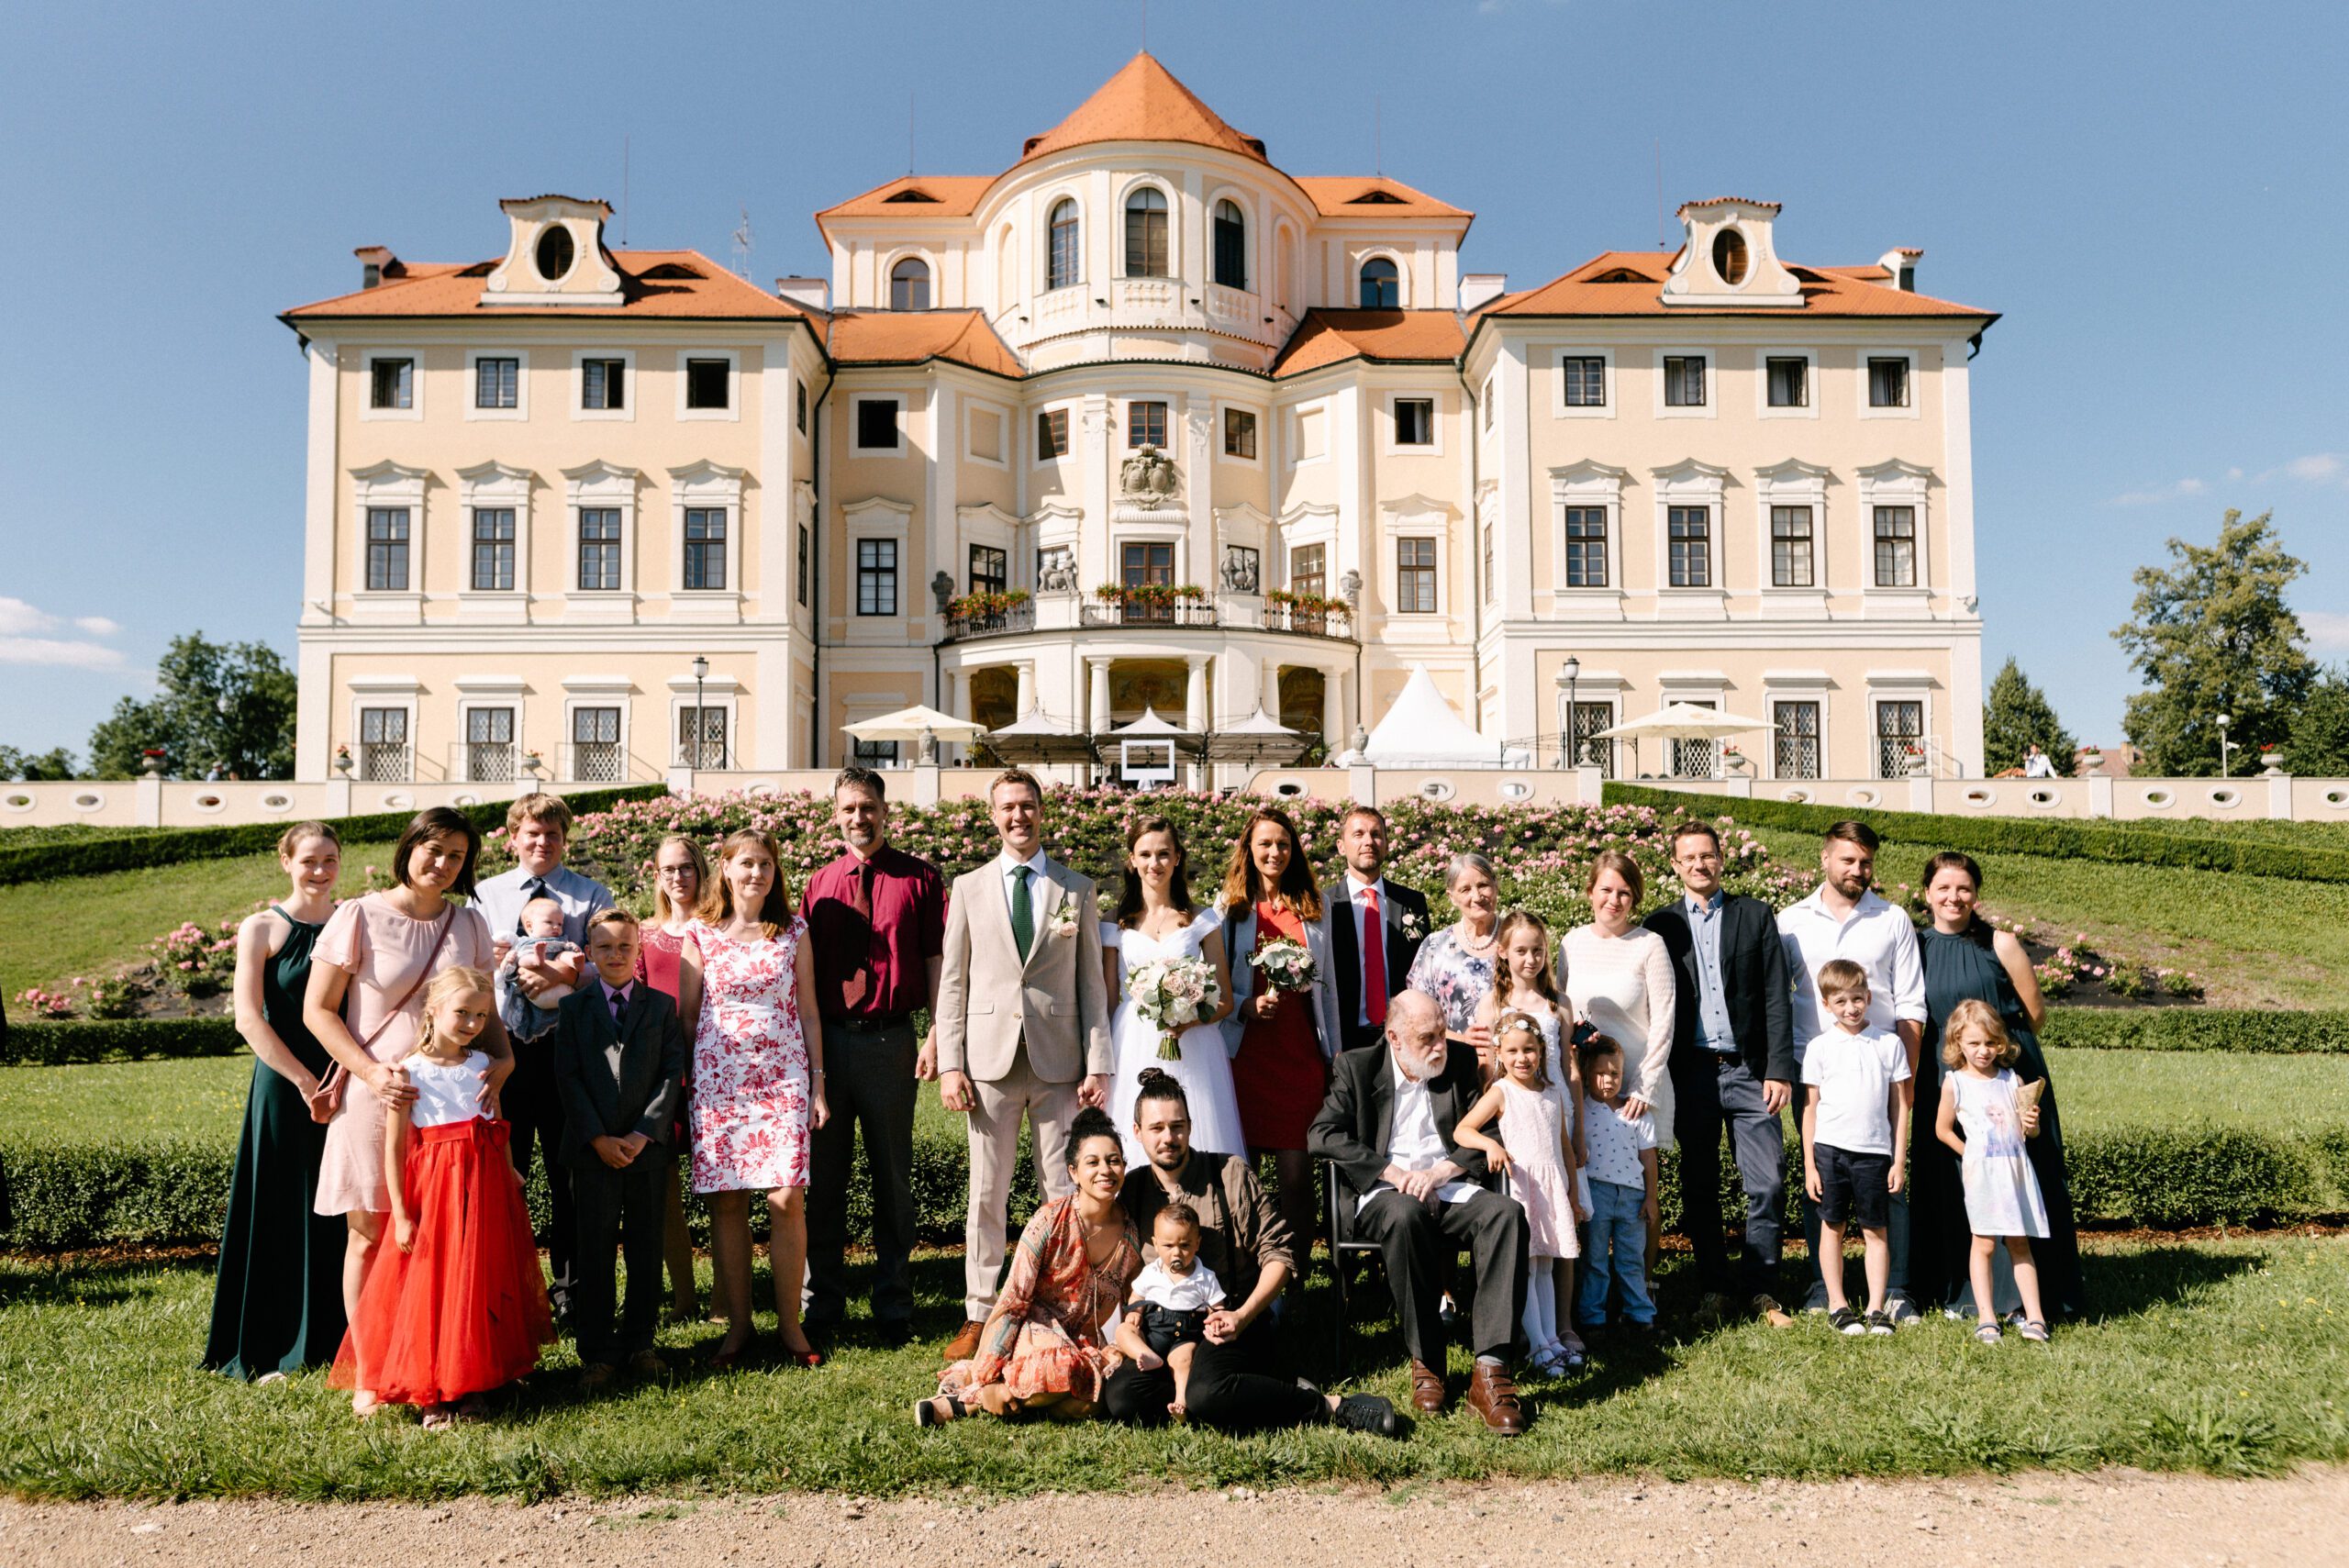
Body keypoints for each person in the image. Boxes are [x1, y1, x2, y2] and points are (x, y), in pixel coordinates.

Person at [306, 806, 508, 1419]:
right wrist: (371, 1073)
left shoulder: (469, 922)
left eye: (456, 856)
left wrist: (504, 1062)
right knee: (370, 1234)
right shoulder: (358, 915)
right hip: (379, 1097)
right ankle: (371, 1372)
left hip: (451, 1109)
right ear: (409, 846)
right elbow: (318, 1011)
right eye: (433, 849)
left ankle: (442, 1363)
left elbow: (486, 1011)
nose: (442, 864)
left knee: (444, 1240)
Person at [1103, 1069, 1397, 1435]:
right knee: (1122, 1397)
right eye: (1156, 1128)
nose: (1168, 1138)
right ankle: (1243, 1388)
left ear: (1190, 1126)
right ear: (1137, 1132)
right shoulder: (1133, 1190)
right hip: (1162, 1331)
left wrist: (1242, 1316)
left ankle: (1328, 1405)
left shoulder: (1228, 1173)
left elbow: (1280, 1253)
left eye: (1177, 1127)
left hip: (1229, 1322)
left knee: (1207, 1394)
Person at [934, 769, 1113, 1362]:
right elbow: (953, 982)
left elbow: (1091, 983)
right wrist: (951, 1064)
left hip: (1059, 1060)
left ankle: (1061, 1307)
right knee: (987, 1193)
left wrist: (1098, 1061)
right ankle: (979, 1311)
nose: (1019, 816)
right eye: (1008, 807)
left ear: (1042, 811)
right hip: (988, 1063)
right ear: (994, 816)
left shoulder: (1076, 888)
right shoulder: (968, 888)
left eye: (1028, 805)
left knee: (1061, 1190)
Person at [330, 967, 552, 1425]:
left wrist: (509, 1168)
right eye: (462, 1012)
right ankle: (432, 1389)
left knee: (479, 1278)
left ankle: (475, 1384)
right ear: (433, 1009)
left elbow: (496, 1122)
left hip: (485, 1185)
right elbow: (395, 1147)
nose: (472, 1023)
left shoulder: (483, 1066)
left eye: (481, 1015)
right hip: (435, 1189)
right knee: (437, 1284)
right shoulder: (409, 1071)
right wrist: (402, 1213)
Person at [1308, 989, 1531, 1433]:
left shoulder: (1460, 1062)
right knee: (1406, 1214)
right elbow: (1322, 1134)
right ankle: (1428, 1359)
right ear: (1394, 1037)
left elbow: (1488, 1133)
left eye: (1442, 1034)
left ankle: (1491, 1373)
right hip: (1385, 1192)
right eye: (1427, 1038)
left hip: (1447, 1185)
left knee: (1506, 1214)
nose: (1440, 1046)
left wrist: (1442, 1171)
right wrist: (1390, 1172)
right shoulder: (1357, 1067)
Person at [801, 765, 946, 1349]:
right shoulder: (818, 884)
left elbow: (937, 962)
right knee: (824, 1182)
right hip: (830, 1045)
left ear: (885, 811)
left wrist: (937, 1033)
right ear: (835, 815)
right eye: (849, 808)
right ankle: (822, 1303)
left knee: (892, 1178)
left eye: (868, 807)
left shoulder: (920, 879)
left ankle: (893, 1304)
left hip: (892, 1041)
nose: (858, 817)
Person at [677, 827, 829, 1370]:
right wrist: (689, 1086)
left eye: (765, 863)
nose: (756, 873)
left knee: (787, 1198)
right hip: (720, 1083)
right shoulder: (700, 932)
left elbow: (809, 1011)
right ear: (725, 868)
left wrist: (818, 1083)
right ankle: (739, 1326)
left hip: (783, 1078)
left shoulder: (793, 930)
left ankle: (790, 1324)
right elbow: (688, 1016)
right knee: (728, 1201)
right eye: (746, 863)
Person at [205, 822, 350, 1380]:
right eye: (309, 859)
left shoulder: (352, 919)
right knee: (281, 1206)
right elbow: (248, 1018)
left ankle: (339, 1337)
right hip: (284, 1084)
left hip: (346, 1080)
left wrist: (346, 1075)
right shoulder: (262, 927)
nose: (320, 870)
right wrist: (305, 1082)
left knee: (343, 1205)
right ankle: (270, 1341)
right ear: (286, 861)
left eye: (330, 859)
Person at [1914, 851, 2082, 1319]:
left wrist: (2000, 1058)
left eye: (1963, 888)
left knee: (2024, 1174)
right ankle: (1959, 1289)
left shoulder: (2000, 943)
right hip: (1945, 1073)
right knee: (1952, 1176)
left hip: (2009, 1071)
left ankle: (2032, 1297)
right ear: (1927, 893)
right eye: (1943, 888)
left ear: (1976, 894)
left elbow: (2035, 1013)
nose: (1953, 897)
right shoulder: (1916, 945)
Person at [1642, 821, 1797, 1326]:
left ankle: (1760, 1289)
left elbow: (1776, 995)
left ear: (1721, 859)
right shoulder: (1661, 925)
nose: (1699, 865)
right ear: (1675, 865)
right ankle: (1714, 1286)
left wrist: (1778, 1069)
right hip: (1692, 1072)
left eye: (1707, 855)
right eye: (1688, 857)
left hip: (1750, 1071)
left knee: (1768, 1182)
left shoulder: (1755, 915)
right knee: (1699, 1185)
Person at [473, 793, 616, 1324]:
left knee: (568, 1175)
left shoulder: (590, 895)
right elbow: (467, 966)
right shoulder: (485, 896)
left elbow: (611, 964)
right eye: (532, 833)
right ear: (513, 837)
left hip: (568, 1053)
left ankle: (571, 1293)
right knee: (502, 1172)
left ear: (565, 839)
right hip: (501, 1049)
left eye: (553, 834)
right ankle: (504, 1292)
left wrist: (564, 975)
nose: (542, 842)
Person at [1776, 820, 1927, 1321]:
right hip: (1814, 1069)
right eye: (1847, 860)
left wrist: (1905, 1081)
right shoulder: (1791, 921)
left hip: (1879, 1070)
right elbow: (1777, 996)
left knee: (1888, 1180)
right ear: (1825, 859)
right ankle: (1825, 1288)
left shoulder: (1892, 919)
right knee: (1819, 1178)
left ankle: (1897, 1288)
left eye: (1866, 862)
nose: (1857, 870)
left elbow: (1911, 1003)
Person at [916, 1106, 1139, 1426]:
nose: (1105, 1170)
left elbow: (1134, 1305)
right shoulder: (1048, 1222)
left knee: (1094, 1401)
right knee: (1062, 1368)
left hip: (1082, 1342)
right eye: (1093, 1162)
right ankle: (974, 1399)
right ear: (1074, 1172)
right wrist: (987, 1375)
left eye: (1113, 1160)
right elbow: (1013, 1301)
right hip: (1035, 1331)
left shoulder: (1130, 1237)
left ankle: (1009, 1397)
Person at [553, 908, 688, 1390]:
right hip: (592, 1152)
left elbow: (671, 1073)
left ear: (638, 950)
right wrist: (597, 1138)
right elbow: (568, 1077)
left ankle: (640, 1344)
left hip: (645, 1150)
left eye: (625, 946)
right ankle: (597, 1352)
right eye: (605, 947)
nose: (616, 955)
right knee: (594, 1251)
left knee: (646, 1248)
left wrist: (641, 1133)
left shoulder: (661, 1006)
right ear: (589, 952)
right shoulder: (574, 1009)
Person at [1219, 805, 1342, 1276]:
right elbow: (1215, 980)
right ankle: (1248, 1274)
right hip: (1246, 1055)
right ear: (1249, 850)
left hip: (1298, 1054)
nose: (1275, 852)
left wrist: (1332, 1054)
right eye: (1265, 844)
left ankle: (1294, 1277)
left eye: (1283, 844)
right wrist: (1245, 1005)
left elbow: (1328, 986)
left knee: (1296, 1176)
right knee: (1244, 1176)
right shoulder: (1230, 907)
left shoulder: (1315, 906)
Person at [1103, 815, 1241, 1169]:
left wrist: (1189, 1020)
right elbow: (1107, 1001)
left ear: (1177, 857)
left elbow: (1225, 999)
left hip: (1194, 1045)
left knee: (1196, 1131)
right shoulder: (1114, 921)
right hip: (1132, 1042)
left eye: (1164, 854)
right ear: (1132, 860)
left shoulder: (1201, 919)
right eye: (1145, 854)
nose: (1155, 863)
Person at [1562, 850, 1676, 1273]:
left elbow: (1664, 1019)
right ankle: (1591, 1282)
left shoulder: (1649, 944)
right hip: (1586, 1084)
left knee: (1640, 1187)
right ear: (1590, 891)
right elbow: (1561, 1008)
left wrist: (1645, 1086)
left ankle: (1644, 1284)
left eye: (1624, 892)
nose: (1614, 900)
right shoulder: (1572, 942)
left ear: (1635, 897)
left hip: (1635, 1087)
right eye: (1606, 890)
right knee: (1587, 1180)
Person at [1453, 1011, 1583, 1376]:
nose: (1521, 1058)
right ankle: (1538, 1347)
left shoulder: (1553, 1094)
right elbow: (1463, 1130)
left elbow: (1564, 1148)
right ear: (1499, 1054)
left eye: (1529, 1050)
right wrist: (1490, 1146)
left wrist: (1572, 1196)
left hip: (1551, 1189)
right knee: (1525, 1266)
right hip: (1522, 1188)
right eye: (1512, 1051)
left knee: (1545, 1265)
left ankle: (1552, 1339)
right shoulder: (1501, 1092)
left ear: (1541, 1051)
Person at [1798, 960, 1911, 1336]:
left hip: (1874, 1153)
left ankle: (1876, 1308)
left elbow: (1900, 1107)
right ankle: (1838, 1304)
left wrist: (1898, 1160)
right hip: (1830, 1151)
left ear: (1869, 997)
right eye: (1841, 1001)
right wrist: (1810, 1166)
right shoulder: (1819, 1047)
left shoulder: (1889, 1044)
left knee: (1875, 1230)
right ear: (1827, 1004)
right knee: (1832, 1226)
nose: (1851, 1008)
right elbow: (1810, 1109)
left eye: (1858, 999)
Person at [1932, 1000, 2052, 1345]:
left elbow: (2029, 1133)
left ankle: (2036, 1317)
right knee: (1983, 1243)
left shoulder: (2012, 1080)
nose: (1982, 1051)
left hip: (2016, 1173)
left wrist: (2031, 1124)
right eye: (1974, 1043)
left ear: (2000, 1043)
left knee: (2019, 1242)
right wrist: (1970, 1154)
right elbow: (1942, 1129)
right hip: (1982, 1177)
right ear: (1958, 1042)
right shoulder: (1955, 1083)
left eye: (1989, 1043)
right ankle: (1986, 1316)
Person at [634, 832, 710, 1322]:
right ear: (657, 876)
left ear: (700, 870)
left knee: (724, 1190)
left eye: (686, 867)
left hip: (716, 1068)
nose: (678, 877)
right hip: (663, 1074)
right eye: (669, 869)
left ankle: (726, 1297)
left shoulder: (720, 927)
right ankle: (684, 1298)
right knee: (664, 1190)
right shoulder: (643, 935)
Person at [1321, 805, 1431, 1054]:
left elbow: (1422, 971)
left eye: (1376, 834)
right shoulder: (1324, 905)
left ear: (1387, 844)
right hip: (1343, 1039)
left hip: (1401, 1036)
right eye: (1358, 834)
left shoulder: (1411, 903)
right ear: (1341, 846)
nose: (1368, 842)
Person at [1574, 1033, 1659, 1334]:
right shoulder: (1581, 1111)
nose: (1608, 1080)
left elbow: (1648, 1158)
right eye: (1600, 1073)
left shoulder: (1635, 1112)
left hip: (1632, 1198)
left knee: (1631, 1259)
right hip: (1596, 1194)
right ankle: (1592, 1317)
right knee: (1594, 1259)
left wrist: (1651, 1198)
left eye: (1615, 1073)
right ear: (1587, 1074)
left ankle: (1639, 1315)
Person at [1112, 1202, 1224, 1418]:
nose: (1177, 1253)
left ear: (1197, 1244)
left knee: (1183, 1361)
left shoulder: (1205, 1277)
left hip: (1185, 1337)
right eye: (1168, 1246)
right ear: (1155, 1244)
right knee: (1123, 1330)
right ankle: (1143, 1354)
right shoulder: (1151, 1272)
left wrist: (1215, 1320)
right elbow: (1137, 1296)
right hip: (1153, 1335)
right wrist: (1135, 1312)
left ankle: (1181, 1402)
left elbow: (1216, 1306)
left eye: (1185, 1245)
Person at [1404, 852, 1503, 1065]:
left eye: (1484, 885)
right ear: (1451, 897)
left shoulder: (1517, 938)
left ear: (1496, 886)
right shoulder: (1434, 946)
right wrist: (1462, 1040)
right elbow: (1417, 1015)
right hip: (1452, 1062)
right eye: (1465, 889)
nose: (1477, 896)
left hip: (1513, 1064)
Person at [496, 897, 584, 1045]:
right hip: (533, 985)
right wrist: (508, 960)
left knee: (564, 955)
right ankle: (537, 959)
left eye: (560, 924)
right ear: (529, 926)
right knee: (523, 959)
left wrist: (573, 950)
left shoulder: (561, 941)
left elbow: (565, 950)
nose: (556, 927)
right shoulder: (522, 942)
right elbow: (506, 971)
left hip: (562, 989)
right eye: (549, 922)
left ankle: (577, 964)